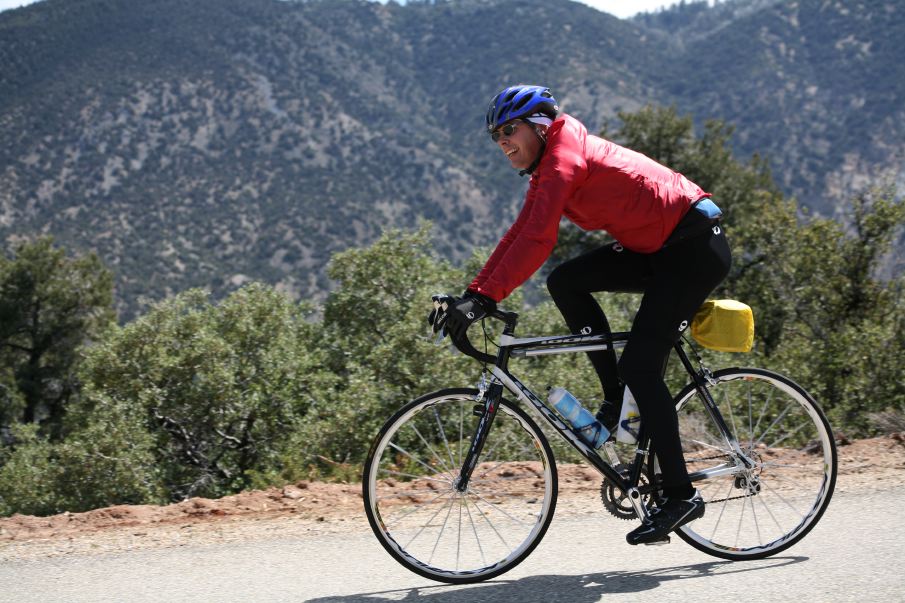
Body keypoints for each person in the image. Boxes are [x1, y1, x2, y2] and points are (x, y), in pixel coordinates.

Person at [442, 84, 732, 545]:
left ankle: (680, 496)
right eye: (496, 135)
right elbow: (521, 231)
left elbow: (538, 239)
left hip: (693, 247)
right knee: (566, 281)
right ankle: (616, 397)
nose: (502, 142)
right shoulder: (547, 164)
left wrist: (482, 300)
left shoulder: (563, 157)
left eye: (509, 130)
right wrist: (475, 292)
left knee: (641, 363)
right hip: (659, 246)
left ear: (540, 127)